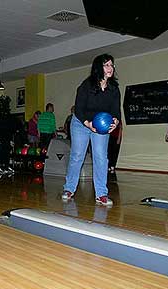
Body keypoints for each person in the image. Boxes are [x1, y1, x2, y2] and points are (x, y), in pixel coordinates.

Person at [62, 53, 121, 206]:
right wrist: (88, 124)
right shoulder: (86, 85)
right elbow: (79, 109)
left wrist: (115, 121)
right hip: (81, 123)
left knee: (101, 157)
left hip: (100, 126)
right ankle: (69, 189)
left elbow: (116, 111)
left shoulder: (114, 89)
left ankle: (101, 194)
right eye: (107, 65)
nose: (110, 68)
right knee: (77, 155)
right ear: (98, 68)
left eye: (112, 65)